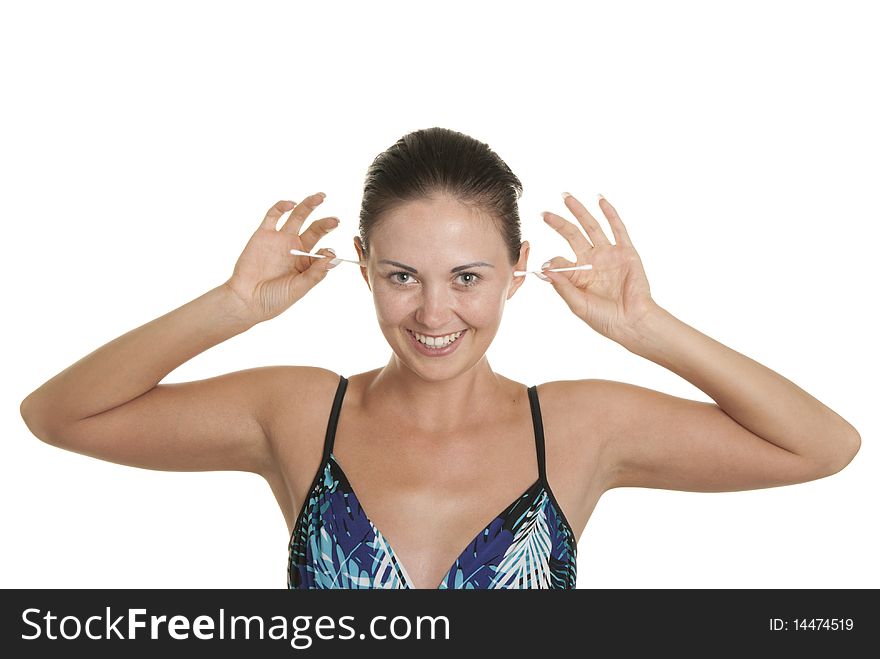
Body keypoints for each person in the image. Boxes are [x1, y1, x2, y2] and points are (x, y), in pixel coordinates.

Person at [19, 127, 860, 590]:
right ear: (361, 262)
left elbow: (823, 446)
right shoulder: (303, 412)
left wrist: (649, 327)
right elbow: (57, 415)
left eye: (467, 277)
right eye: (400, 276)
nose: (432, 313)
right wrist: (232, 306)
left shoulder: (577, 426)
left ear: (519, 268)